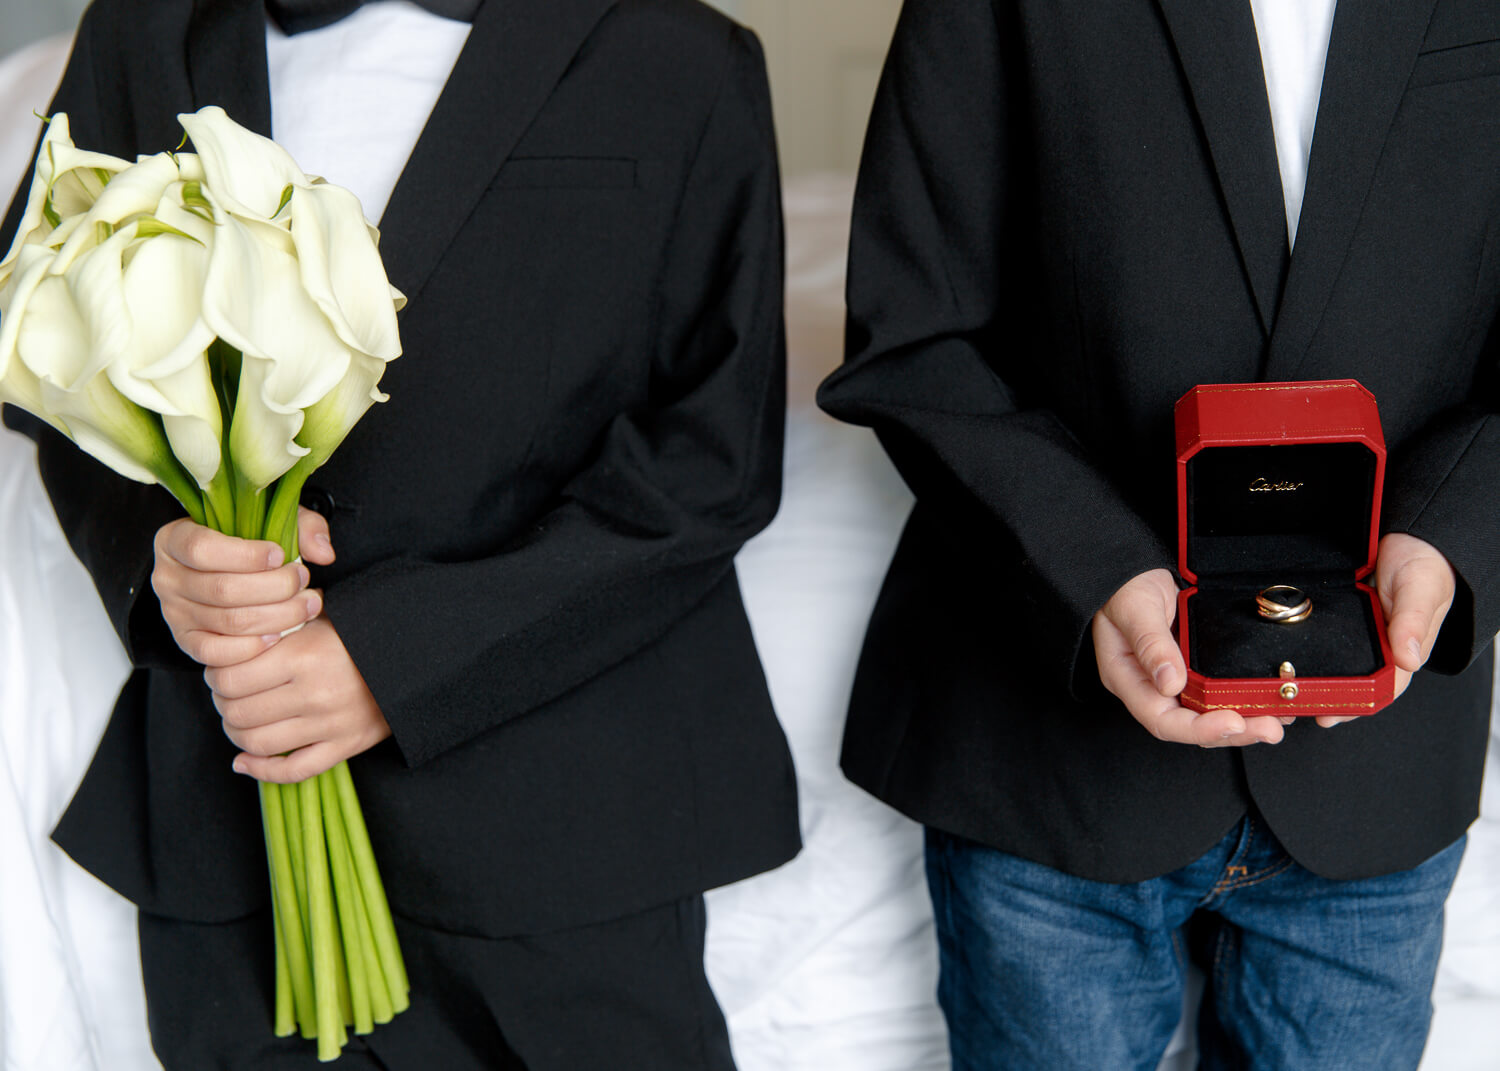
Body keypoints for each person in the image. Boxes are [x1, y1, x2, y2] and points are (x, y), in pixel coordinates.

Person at [2, 0, 800, 1068]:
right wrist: (162, 561)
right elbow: (46, 354)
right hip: (230, 823)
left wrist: (401, 660)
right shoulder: (143, 28)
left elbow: (713, 460)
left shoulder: (685, 58)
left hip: (563, 835)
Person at [818, 1, 1499, 1068]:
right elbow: (915, 334)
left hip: (1379, 777)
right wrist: (1088, 568)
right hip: (1043, 762)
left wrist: (1451, 538)